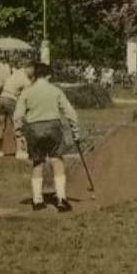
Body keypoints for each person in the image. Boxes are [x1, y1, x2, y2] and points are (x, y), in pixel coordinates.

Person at [13, 62, 81, 212]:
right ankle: (61, 199)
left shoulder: (27, 92)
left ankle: (37, 200)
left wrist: (19, 133)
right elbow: (70, 112)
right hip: (53, 127)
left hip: (34, 128)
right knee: (57, 161)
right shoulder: (55, 91)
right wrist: (75, 132)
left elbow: (18, 115)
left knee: (38, 163)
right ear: (48, 75)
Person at [0, 59, 33, 158]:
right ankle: (20, 152)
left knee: (1, 125)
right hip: (11, 99)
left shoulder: (18, 72)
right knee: (18, 125)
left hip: (2, 97)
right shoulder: (26, 80)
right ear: (29, 69)